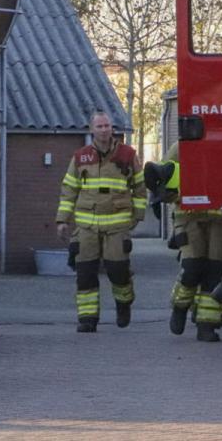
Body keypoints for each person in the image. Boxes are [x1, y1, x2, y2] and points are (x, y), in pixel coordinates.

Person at [56, 111, 145, 333]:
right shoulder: (80, 157)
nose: (104, 130)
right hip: (86, 227)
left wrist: (137, 216)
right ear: (91, 129)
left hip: (117, 225)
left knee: (118, 271)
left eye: (107, 126)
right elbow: (69, 190)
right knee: (85, 273)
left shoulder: (127, 154)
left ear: (112, 128)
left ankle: (124, 304)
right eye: (100, 126)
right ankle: (87, 319)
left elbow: (140, 188)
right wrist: (62, 220)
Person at [145, 142, 222, 342]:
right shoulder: (181, 147)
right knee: (193, 266)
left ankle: (206, 325)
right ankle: (180, 307)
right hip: (190, 216)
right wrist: (162, 196)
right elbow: (165, 180)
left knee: (215, 271)